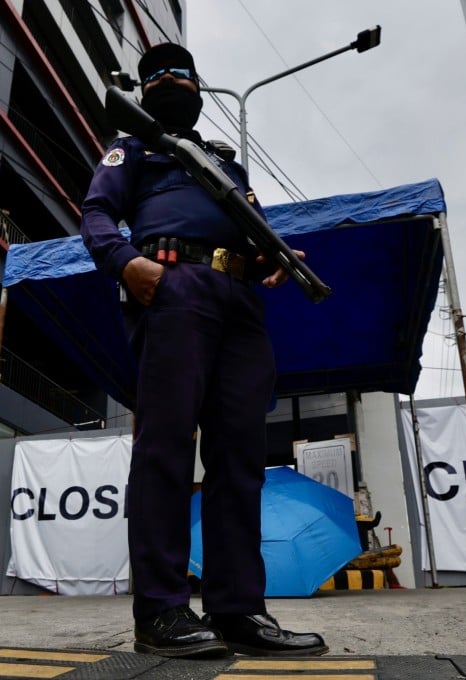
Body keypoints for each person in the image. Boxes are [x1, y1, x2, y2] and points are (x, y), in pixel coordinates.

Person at [79, 43, 328, 659]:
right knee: (166, 451)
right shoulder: (133, 146)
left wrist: (275, 256)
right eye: (156, 73)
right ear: (142, 90)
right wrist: (125, 263)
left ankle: (239, 609)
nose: (170, 78)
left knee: (240, 459)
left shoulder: (224, 164)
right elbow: (96, 213)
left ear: (198, 86)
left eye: (181, 71)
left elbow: (253, 229)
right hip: (172, 288)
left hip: (240, 304)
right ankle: (161, 613)